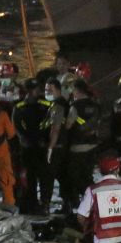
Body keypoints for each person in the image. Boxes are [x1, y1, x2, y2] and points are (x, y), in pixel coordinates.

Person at [63, 79, 105, 213]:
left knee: (75, 176)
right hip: (92, 145)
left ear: (76, 90)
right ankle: (95, 200)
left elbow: (68, 125)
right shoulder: (96, 105)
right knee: (88, 174)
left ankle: (88, 200)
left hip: (77, 146)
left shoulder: (75, 106)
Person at [13, 79, 52, 212]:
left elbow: (50, 123)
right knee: (30, 177)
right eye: (32, 89)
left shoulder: (45, 104)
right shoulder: (19, 107)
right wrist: (24, 138)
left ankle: (45, 203)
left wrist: (45, 139)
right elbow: (17, 126)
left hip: (41, 146)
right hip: (28, 147)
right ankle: (32, 203)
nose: (35, 92)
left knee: (44, 176)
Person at [42, 78, 71, 208]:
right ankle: (68, 204)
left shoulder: (58, 106)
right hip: (64, 146)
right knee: (64, 175)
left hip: (57, 146)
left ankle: (46, 205)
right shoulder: (64, 104)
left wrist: (50, 148)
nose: (47, 92)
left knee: (48, 176)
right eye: (46, 90)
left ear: (58, 90)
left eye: (50, 90)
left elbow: (55, 129)